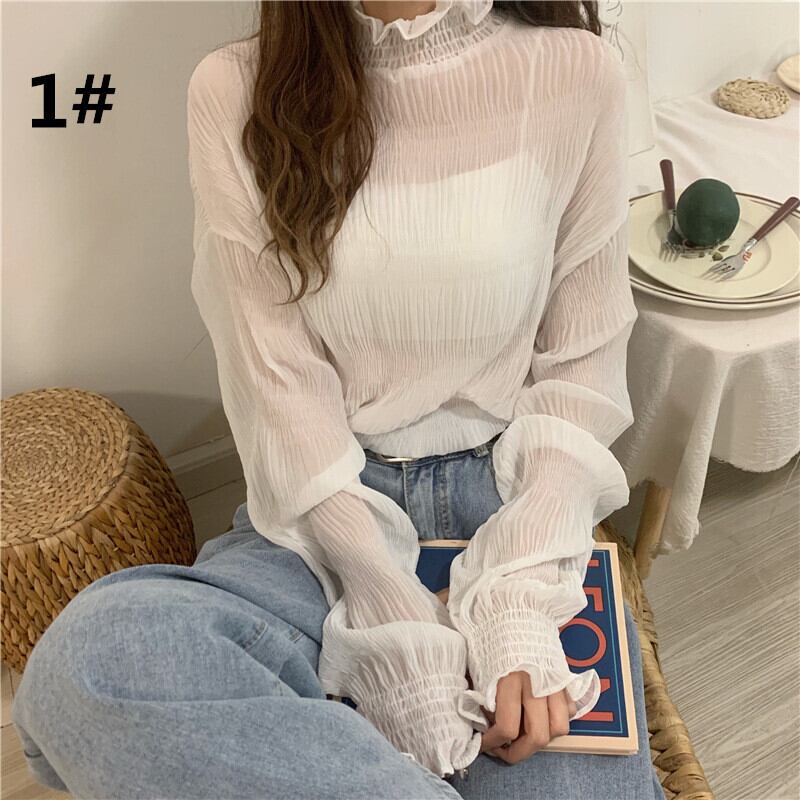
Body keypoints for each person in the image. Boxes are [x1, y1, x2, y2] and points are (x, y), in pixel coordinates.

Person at [12, 1, 666, 797]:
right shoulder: (233, 91)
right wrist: (385, 601)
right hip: (323, 511)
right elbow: (277, 381)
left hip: (509, 494)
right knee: (90, 669)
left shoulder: (577, 72)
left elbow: (583, 362)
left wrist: (519, 596)